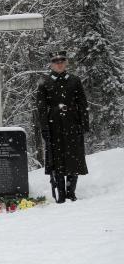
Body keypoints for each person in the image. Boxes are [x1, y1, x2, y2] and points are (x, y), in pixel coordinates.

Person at [36, 50, 90, 203]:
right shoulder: (45, 82)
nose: (59, 64)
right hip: (54, 125)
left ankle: (71, 192)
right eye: (55, 61)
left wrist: (84, 124)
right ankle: (60, 194)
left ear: (66, 62)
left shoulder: (74, 80)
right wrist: (44, 128)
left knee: (74, 158)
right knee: (57, 159)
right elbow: (41, 107)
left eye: (61, 61)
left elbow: (82, 103)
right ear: (51, 64)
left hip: (73, 123)